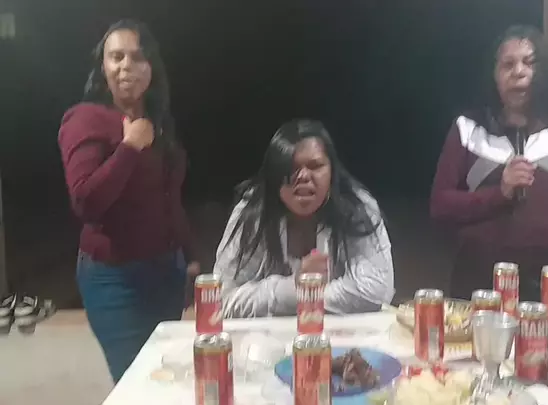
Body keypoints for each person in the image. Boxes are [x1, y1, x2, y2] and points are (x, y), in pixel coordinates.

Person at [58, 20, 199, 383]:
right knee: (136, 383)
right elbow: (86, 201)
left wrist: (190, 257)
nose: (126, 66)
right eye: (116, 56)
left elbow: (169, 197)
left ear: (151, 67)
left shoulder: (157, 120)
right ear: (102, 66)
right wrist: (129, 147)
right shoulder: (85, 119)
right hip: (115, 280)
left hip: (166, 272)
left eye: (137, 57)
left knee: (165, 375)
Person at [430, 25, 548, 302]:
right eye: (507, 65)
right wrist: (499, 194)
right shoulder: (469, 130)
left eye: (529, 63)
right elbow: (440, 207)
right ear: (494, 76)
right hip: (478, 289)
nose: (518, 72)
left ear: (545, 72)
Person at [213, 119, 395, 317]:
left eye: (315, 166)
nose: (303, 176)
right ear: (273, 176)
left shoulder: (358, 209)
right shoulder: (253, 212)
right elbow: (220, 299)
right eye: (290, 168)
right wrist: (291, 288)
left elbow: (376, 290)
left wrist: (307, 293)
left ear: (332, 172)